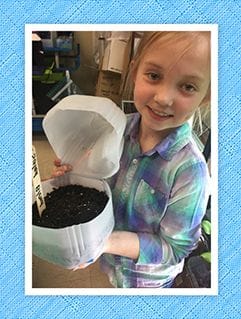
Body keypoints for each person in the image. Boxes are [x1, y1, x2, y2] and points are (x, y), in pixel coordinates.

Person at [52, 31, 211, 288]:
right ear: (135, 71)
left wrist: (105, 242)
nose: (163, 98)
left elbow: (174, 249)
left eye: (188, 86)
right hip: (112, 268)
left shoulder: (190, 173)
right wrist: (75, 171)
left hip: (147, 282)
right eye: (154, 76)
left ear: (205, 96)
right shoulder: (117, 129)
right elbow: (100, 175)